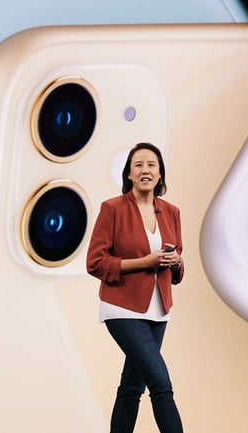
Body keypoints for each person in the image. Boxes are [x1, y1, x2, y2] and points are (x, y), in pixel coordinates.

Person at [87, 142, 184, 433]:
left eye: (151, 165)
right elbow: (95, 262)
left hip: (159, 309)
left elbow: (178, 273)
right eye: (138, 165)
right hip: (121, 307)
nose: (145, 170)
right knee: (160, 382)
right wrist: (143, 261)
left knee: (132, 386)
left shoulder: (172, 212)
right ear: (128, 173)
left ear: (160, 173)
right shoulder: (112, 209)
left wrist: (175, 261)